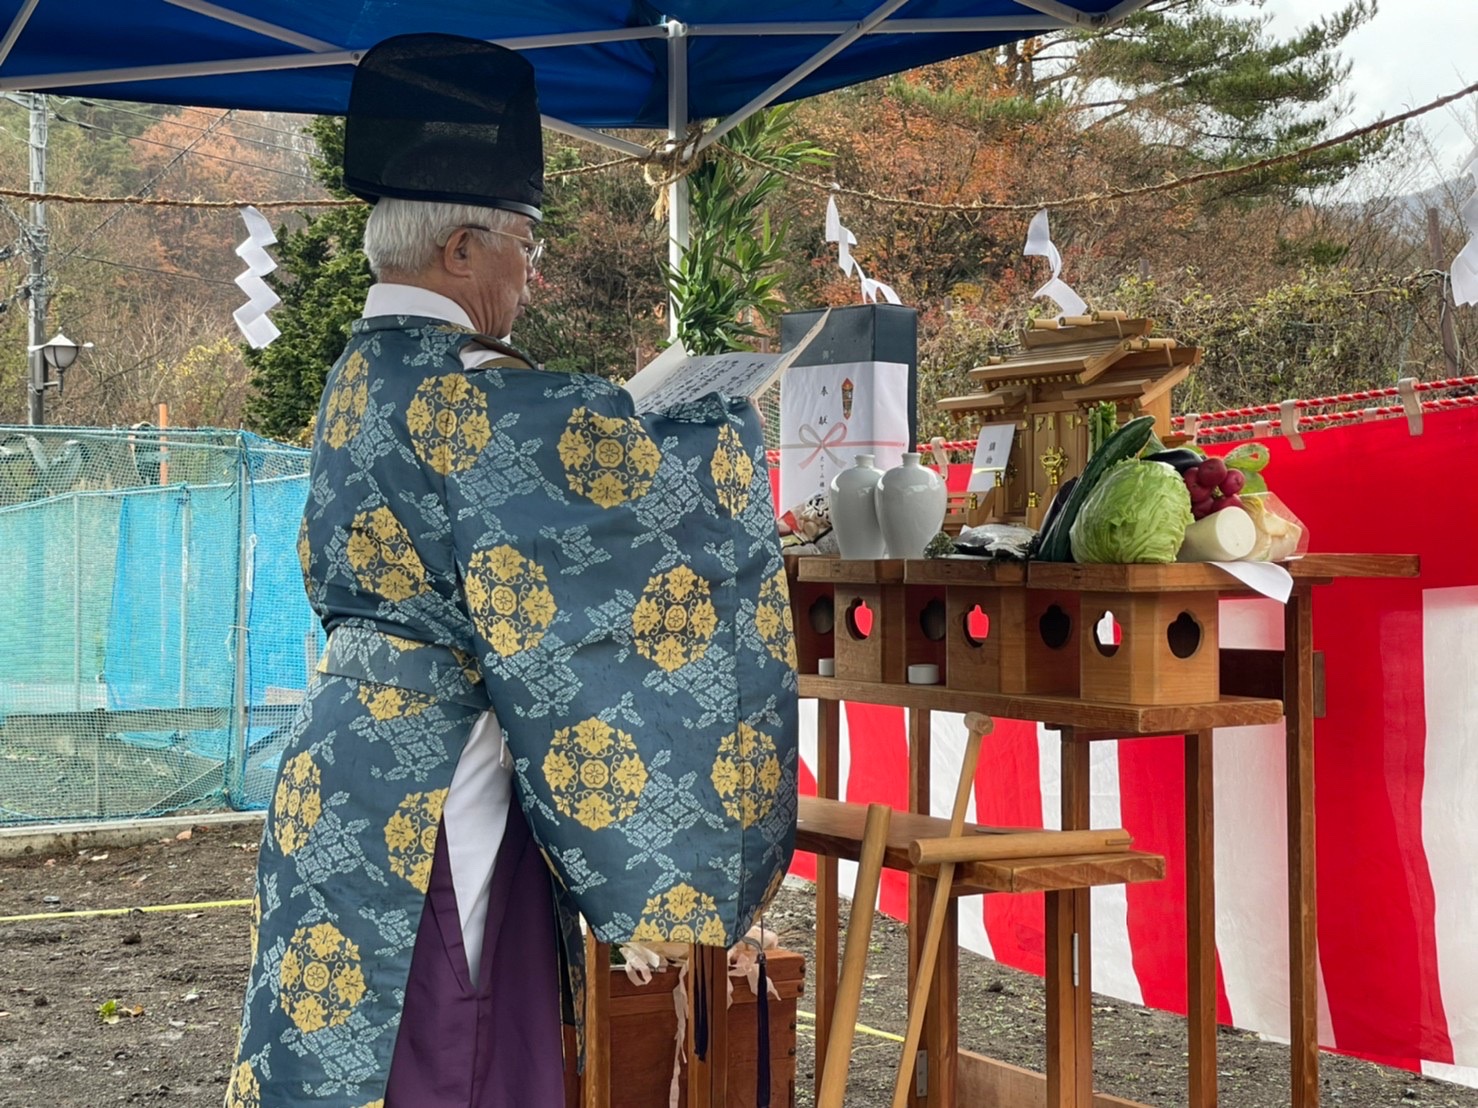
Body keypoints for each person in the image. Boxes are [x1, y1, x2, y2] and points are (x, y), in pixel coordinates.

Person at [227, 33, 798, 1108]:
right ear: (458, 249)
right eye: (521, 244)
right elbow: (632, 504)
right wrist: (718, 417)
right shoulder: (470, 392)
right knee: (454, 1048)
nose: (529, 274)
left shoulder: (356, 372)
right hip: (438, 792)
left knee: (349, 1056)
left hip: (342, 758)